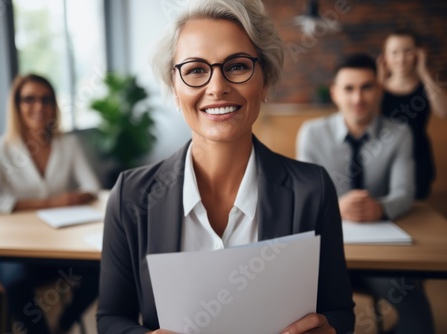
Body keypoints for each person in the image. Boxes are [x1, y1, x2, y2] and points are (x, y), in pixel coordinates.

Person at [97, 1, 355, 333]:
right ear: (175, 89)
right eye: (195, 70)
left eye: (236, 66)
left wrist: (329, 329)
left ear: (265, 82)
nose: (217, 87)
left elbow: (340, 312)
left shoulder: (312, 190)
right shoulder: (130, 196)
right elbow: (110, 319)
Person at [297, 53, 434, 334]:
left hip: (381, 254)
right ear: (335, 93)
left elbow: (405, 193)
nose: (358, 98)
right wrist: (335, 205)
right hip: (324, 254)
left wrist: (380, 208)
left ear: (379, 90)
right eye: (349, 88)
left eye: (366, 87)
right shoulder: (312, 133)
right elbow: (305, 198)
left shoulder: (399, 133)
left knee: (419, 321)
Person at [0, 74, 101, 334]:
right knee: (15, 283)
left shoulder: (67, 143)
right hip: (13, 248)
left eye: (46, 99)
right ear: (16, 105)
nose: (39, 106)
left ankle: (62, 325)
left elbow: (92, 186)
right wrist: (51, 202)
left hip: (59, 246)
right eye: (29, 99)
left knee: (102, 269)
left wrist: (80, 196)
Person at [379, 29, 447, 199]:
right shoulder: (379, 88)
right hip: (384, 158)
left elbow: (443, 110)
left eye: (407, 51)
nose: (401, 59)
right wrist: (378, 80)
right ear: (385, 57)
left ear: (418, 54)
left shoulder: (425, 87)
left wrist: (424, 71)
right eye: (394, 52)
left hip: (419, 159)